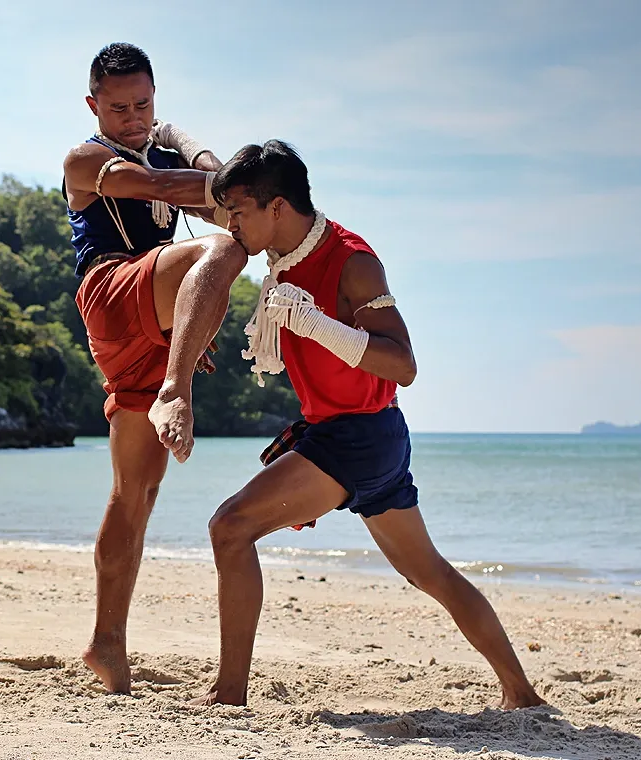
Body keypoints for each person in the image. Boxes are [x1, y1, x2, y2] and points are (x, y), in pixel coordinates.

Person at [194, 139, 545, 711]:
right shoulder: (280, 257)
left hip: (359, 438)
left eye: (237, 211)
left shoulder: (352, 261)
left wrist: (318, 325)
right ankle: (522, 694)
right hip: (351, 435)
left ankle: (229, 695)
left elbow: (403, 365)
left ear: (276, 207)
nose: (229, 224)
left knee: (229, 528)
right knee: (429, 572)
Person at [61, 42, 253, 694]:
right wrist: (208, 179)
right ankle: (178, 387)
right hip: (112, 292)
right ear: (94, 105)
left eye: (145, 105)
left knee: (136, 492)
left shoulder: (164, 142)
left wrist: (190, 144)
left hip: (156, 321)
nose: (134, 117)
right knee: (224, 249)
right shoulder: (85, 158)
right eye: (119, 108)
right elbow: (168, 190)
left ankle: (107, 645)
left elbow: (225, 185)